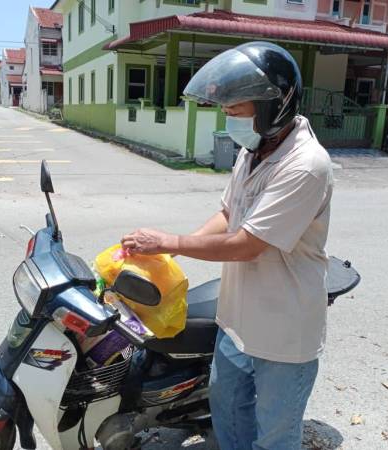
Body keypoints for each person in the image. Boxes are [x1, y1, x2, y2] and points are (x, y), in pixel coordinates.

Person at [121, 41, 333, 450]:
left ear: (272, 107)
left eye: (235, 112)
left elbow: (247, 244)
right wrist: (172, 250)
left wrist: (169, 239)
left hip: (284, 332)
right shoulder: (254, 148)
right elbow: (227, 213)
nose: (228, 119)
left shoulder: (306, 164)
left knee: (274, 433)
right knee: (229, 410)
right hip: (237, 319)